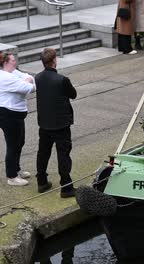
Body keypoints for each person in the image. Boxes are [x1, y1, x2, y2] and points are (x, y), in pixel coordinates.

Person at [34, 48, 77, 198]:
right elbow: (73, 94)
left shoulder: (37, 78)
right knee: (63, 154)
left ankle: (41, 181)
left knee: (43, 152)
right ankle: (66, 187)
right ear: (54, 61)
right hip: (61, 124)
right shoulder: (62, 79)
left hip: (44, 123)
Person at [0, 52, 35, 186]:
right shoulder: (5, 77)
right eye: (13, 60)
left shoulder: (14, 72)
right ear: (6, 62)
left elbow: (31, 80)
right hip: (8, 114)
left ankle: (16, 169)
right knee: (13, 144)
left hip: (17, 114)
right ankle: (12, 176)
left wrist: (27, 81)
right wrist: (27, 82)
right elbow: (29, 87)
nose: (15, 62)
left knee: (20, 142)